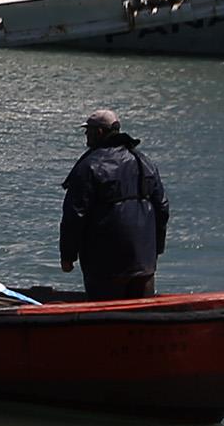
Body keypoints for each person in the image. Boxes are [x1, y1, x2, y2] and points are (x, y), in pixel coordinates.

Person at [60, 107, 170, 299]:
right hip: (143, 262)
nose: (86, 136)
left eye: (88, 131)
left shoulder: (89, 166)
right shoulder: (144, 161)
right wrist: (156, 248)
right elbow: (162, 207)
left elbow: (74, 216)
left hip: (105, 265)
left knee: (103, 317)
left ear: (99, 132)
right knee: (142, 318)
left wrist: (68, 256)